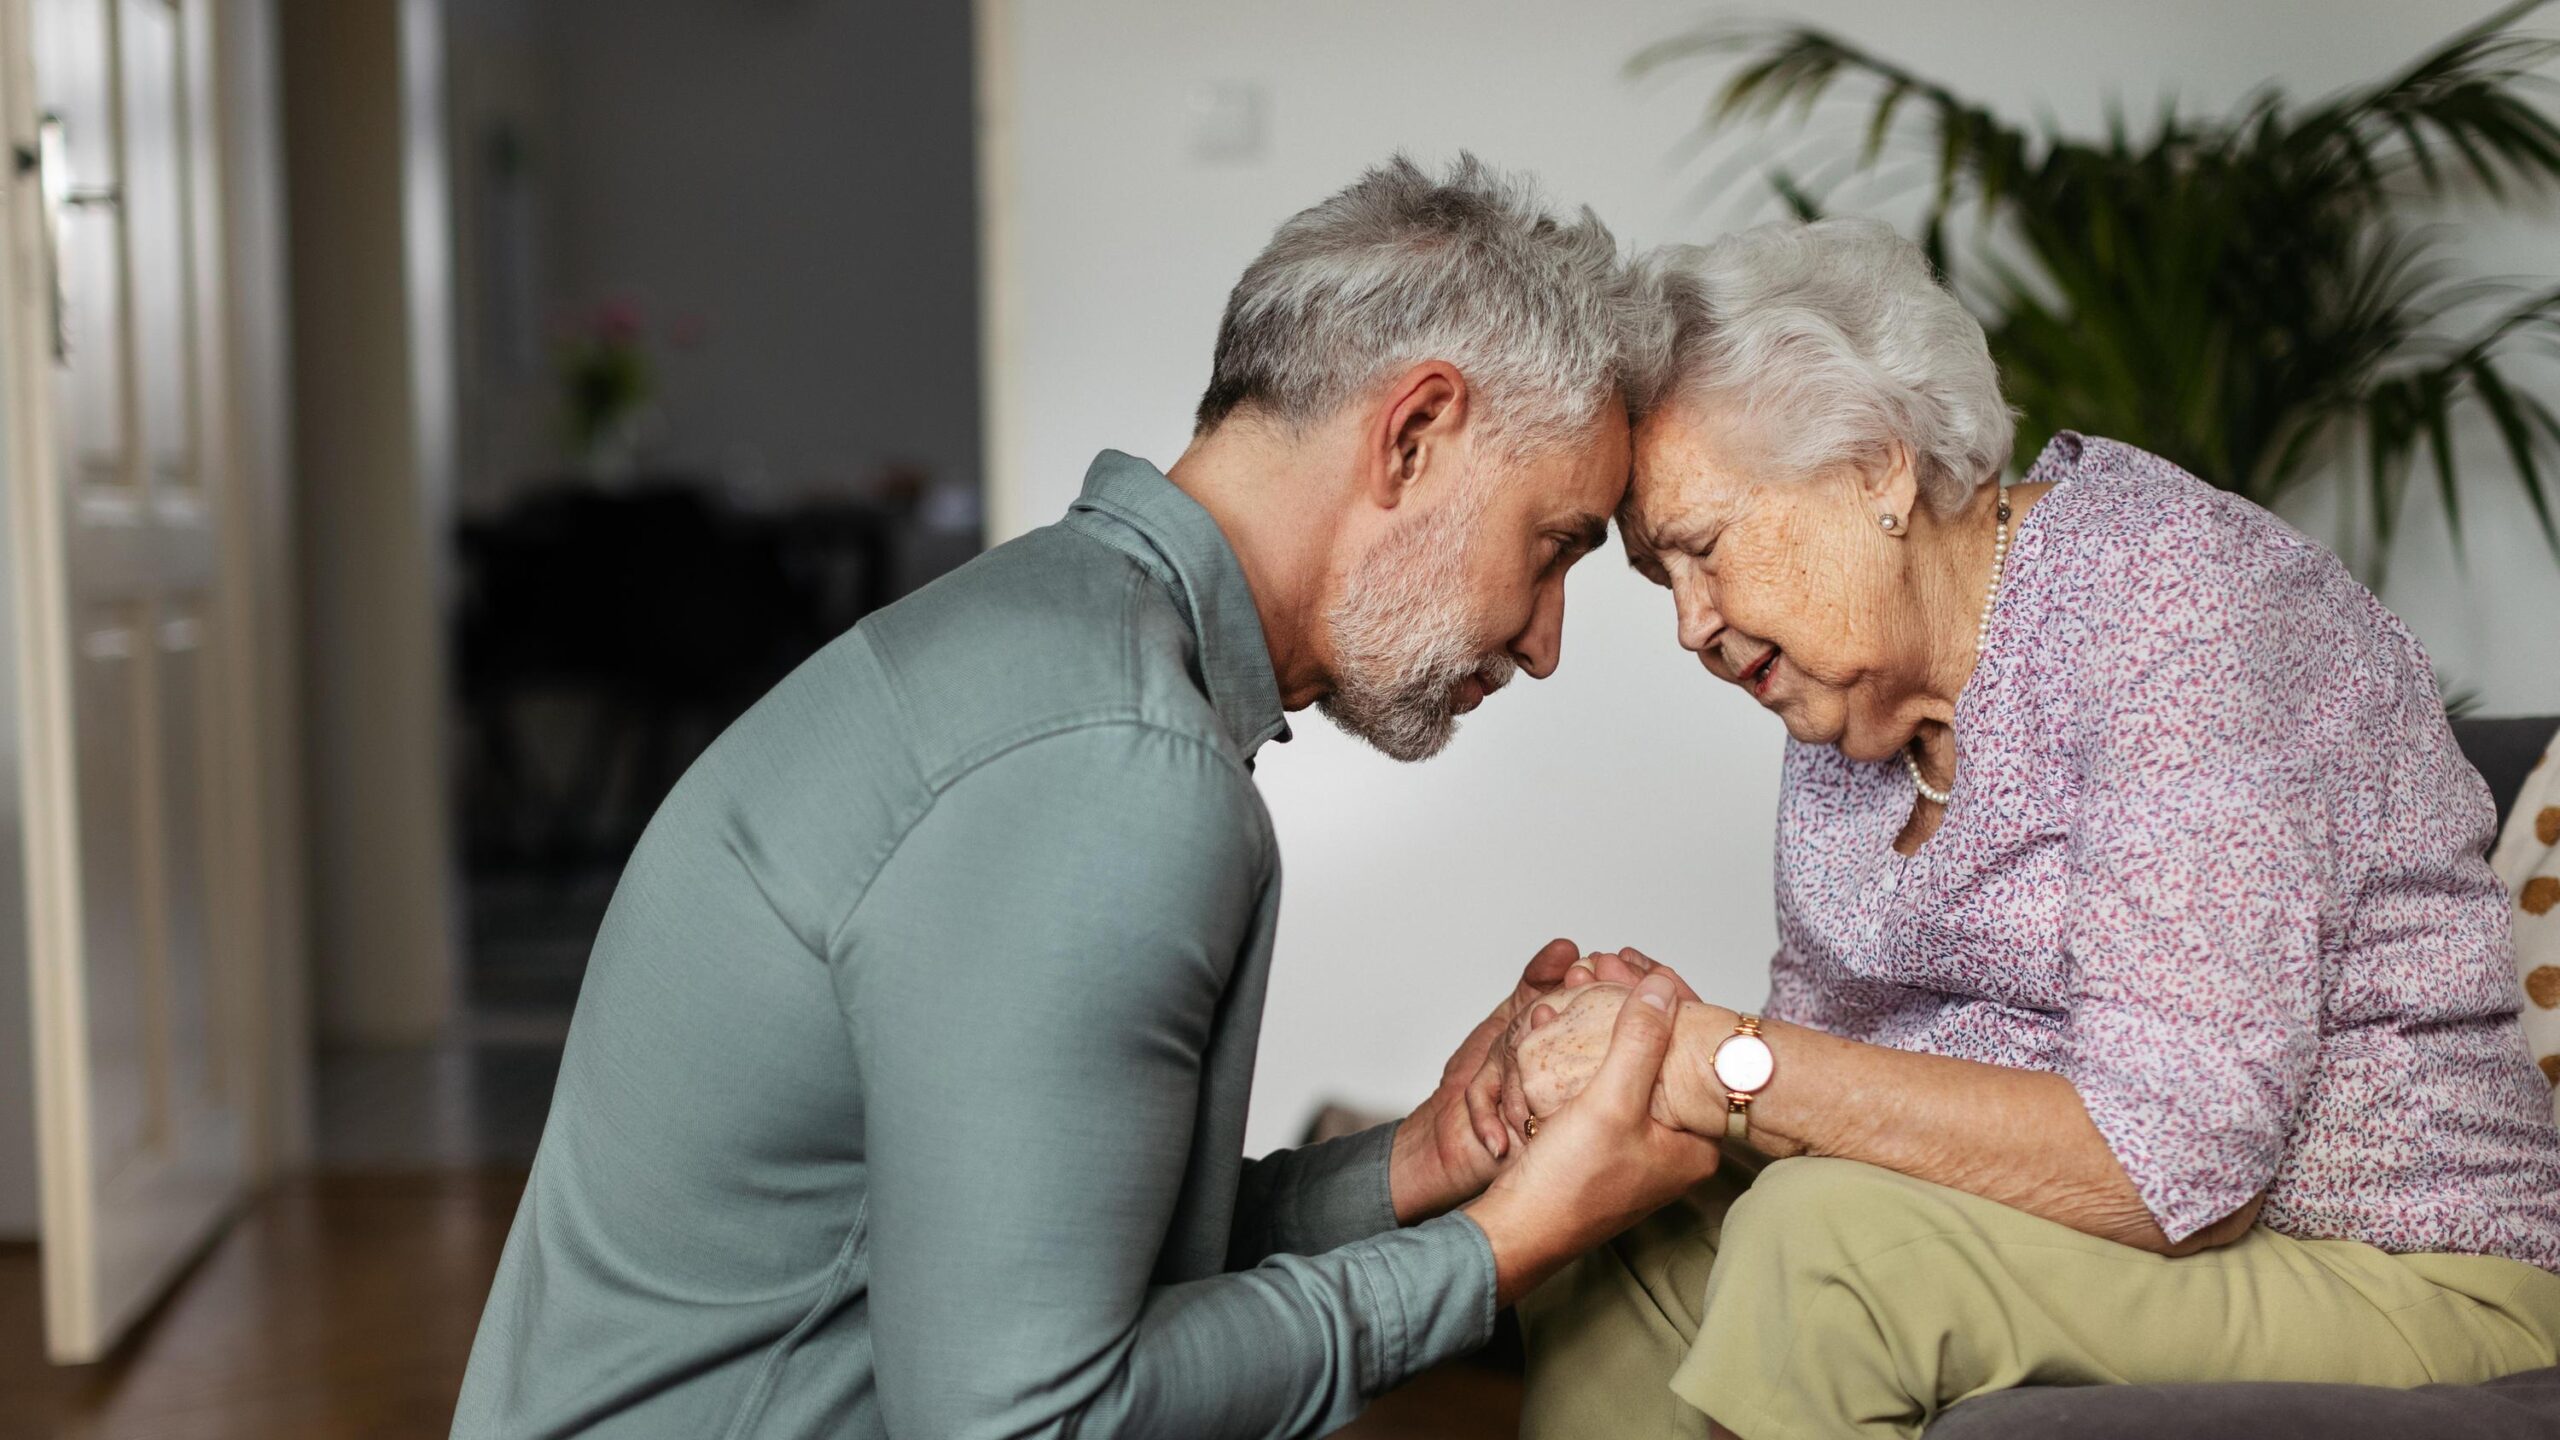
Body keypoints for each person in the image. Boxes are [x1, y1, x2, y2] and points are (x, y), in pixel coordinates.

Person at [449, 155, 1717, 1440]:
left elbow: (1044, 1269)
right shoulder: (1112, 763)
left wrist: (1425, 1159)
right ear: (1413, 434)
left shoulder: (1047, 647)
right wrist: (1505, 1246)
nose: (1544, 641)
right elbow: (1028, 1417)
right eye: (1553, 547)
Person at [1507, 217, 2560, 1440]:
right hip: (2083, 1253)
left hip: (2392, 1268)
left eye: (1703, 550)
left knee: (1831, 1250)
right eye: (1661, 580)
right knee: (1615, 1204)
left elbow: (2179, 1164)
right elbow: (1827, 1087)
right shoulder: (1853, 702)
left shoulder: (2173, 607)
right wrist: (1657, 1053)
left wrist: (1724, 1062)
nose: (1691, 624)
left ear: (1876, 472)